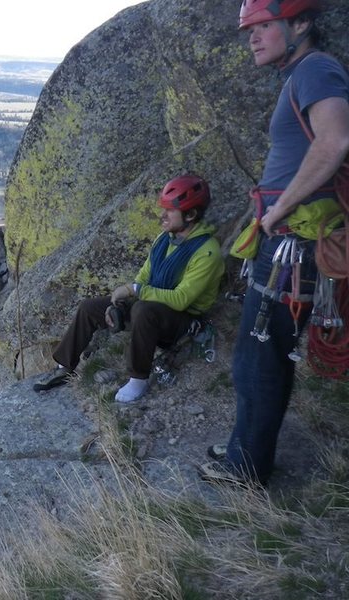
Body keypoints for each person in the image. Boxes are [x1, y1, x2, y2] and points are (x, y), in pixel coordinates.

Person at [198, 0, 349, 485]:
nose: (253, 38)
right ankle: (249, 445)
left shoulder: (316, 69)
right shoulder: (300, 74)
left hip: (294, 244)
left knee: (256, 356)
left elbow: (334, 141)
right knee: (263, 352)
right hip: (296, 242)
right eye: (251, 30)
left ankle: (246, 466)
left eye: (264, 27)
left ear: (300, 24)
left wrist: (279, 210)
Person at [33, 175, 225, 403]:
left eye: (169, 211)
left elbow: (182, 299)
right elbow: (145, 275)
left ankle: (138, 380)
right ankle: (64, 365)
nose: (162, 216)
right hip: (151, 307)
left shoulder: (207, 251)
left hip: (183, 321)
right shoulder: (165, 238)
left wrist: (135, 290)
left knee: (143, 309)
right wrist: (121, 304)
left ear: (190, 215)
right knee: (89, 307)